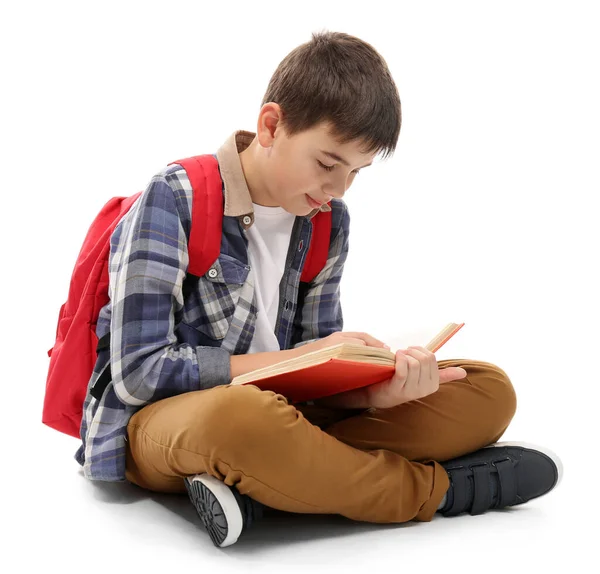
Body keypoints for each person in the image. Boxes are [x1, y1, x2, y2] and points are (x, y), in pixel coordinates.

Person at [74, 30, 562, 548]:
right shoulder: (173, 198)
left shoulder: (327, 222)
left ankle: (262, 488)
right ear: (271, 125)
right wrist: (297, 361)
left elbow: (311, 381)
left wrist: (373, 392)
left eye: (356, 171)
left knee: (485, 389)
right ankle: (435, 492)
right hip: (166, 426)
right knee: (243, 418)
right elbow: (139, 375)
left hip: (282, 417)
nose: (337, 189)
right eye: (328, 163)